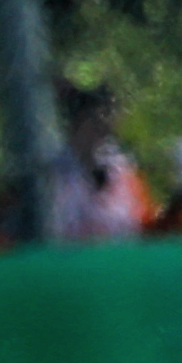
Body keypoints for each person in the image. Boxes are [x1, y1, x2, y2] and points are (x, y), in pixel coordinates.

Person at [37, 69, 150, 244]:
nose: (105, 134)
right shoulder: (48, 179)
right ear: (74, 125)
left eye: (110, 126)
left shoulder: (125, 176)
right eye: (96, 124)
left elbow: (153, 236)